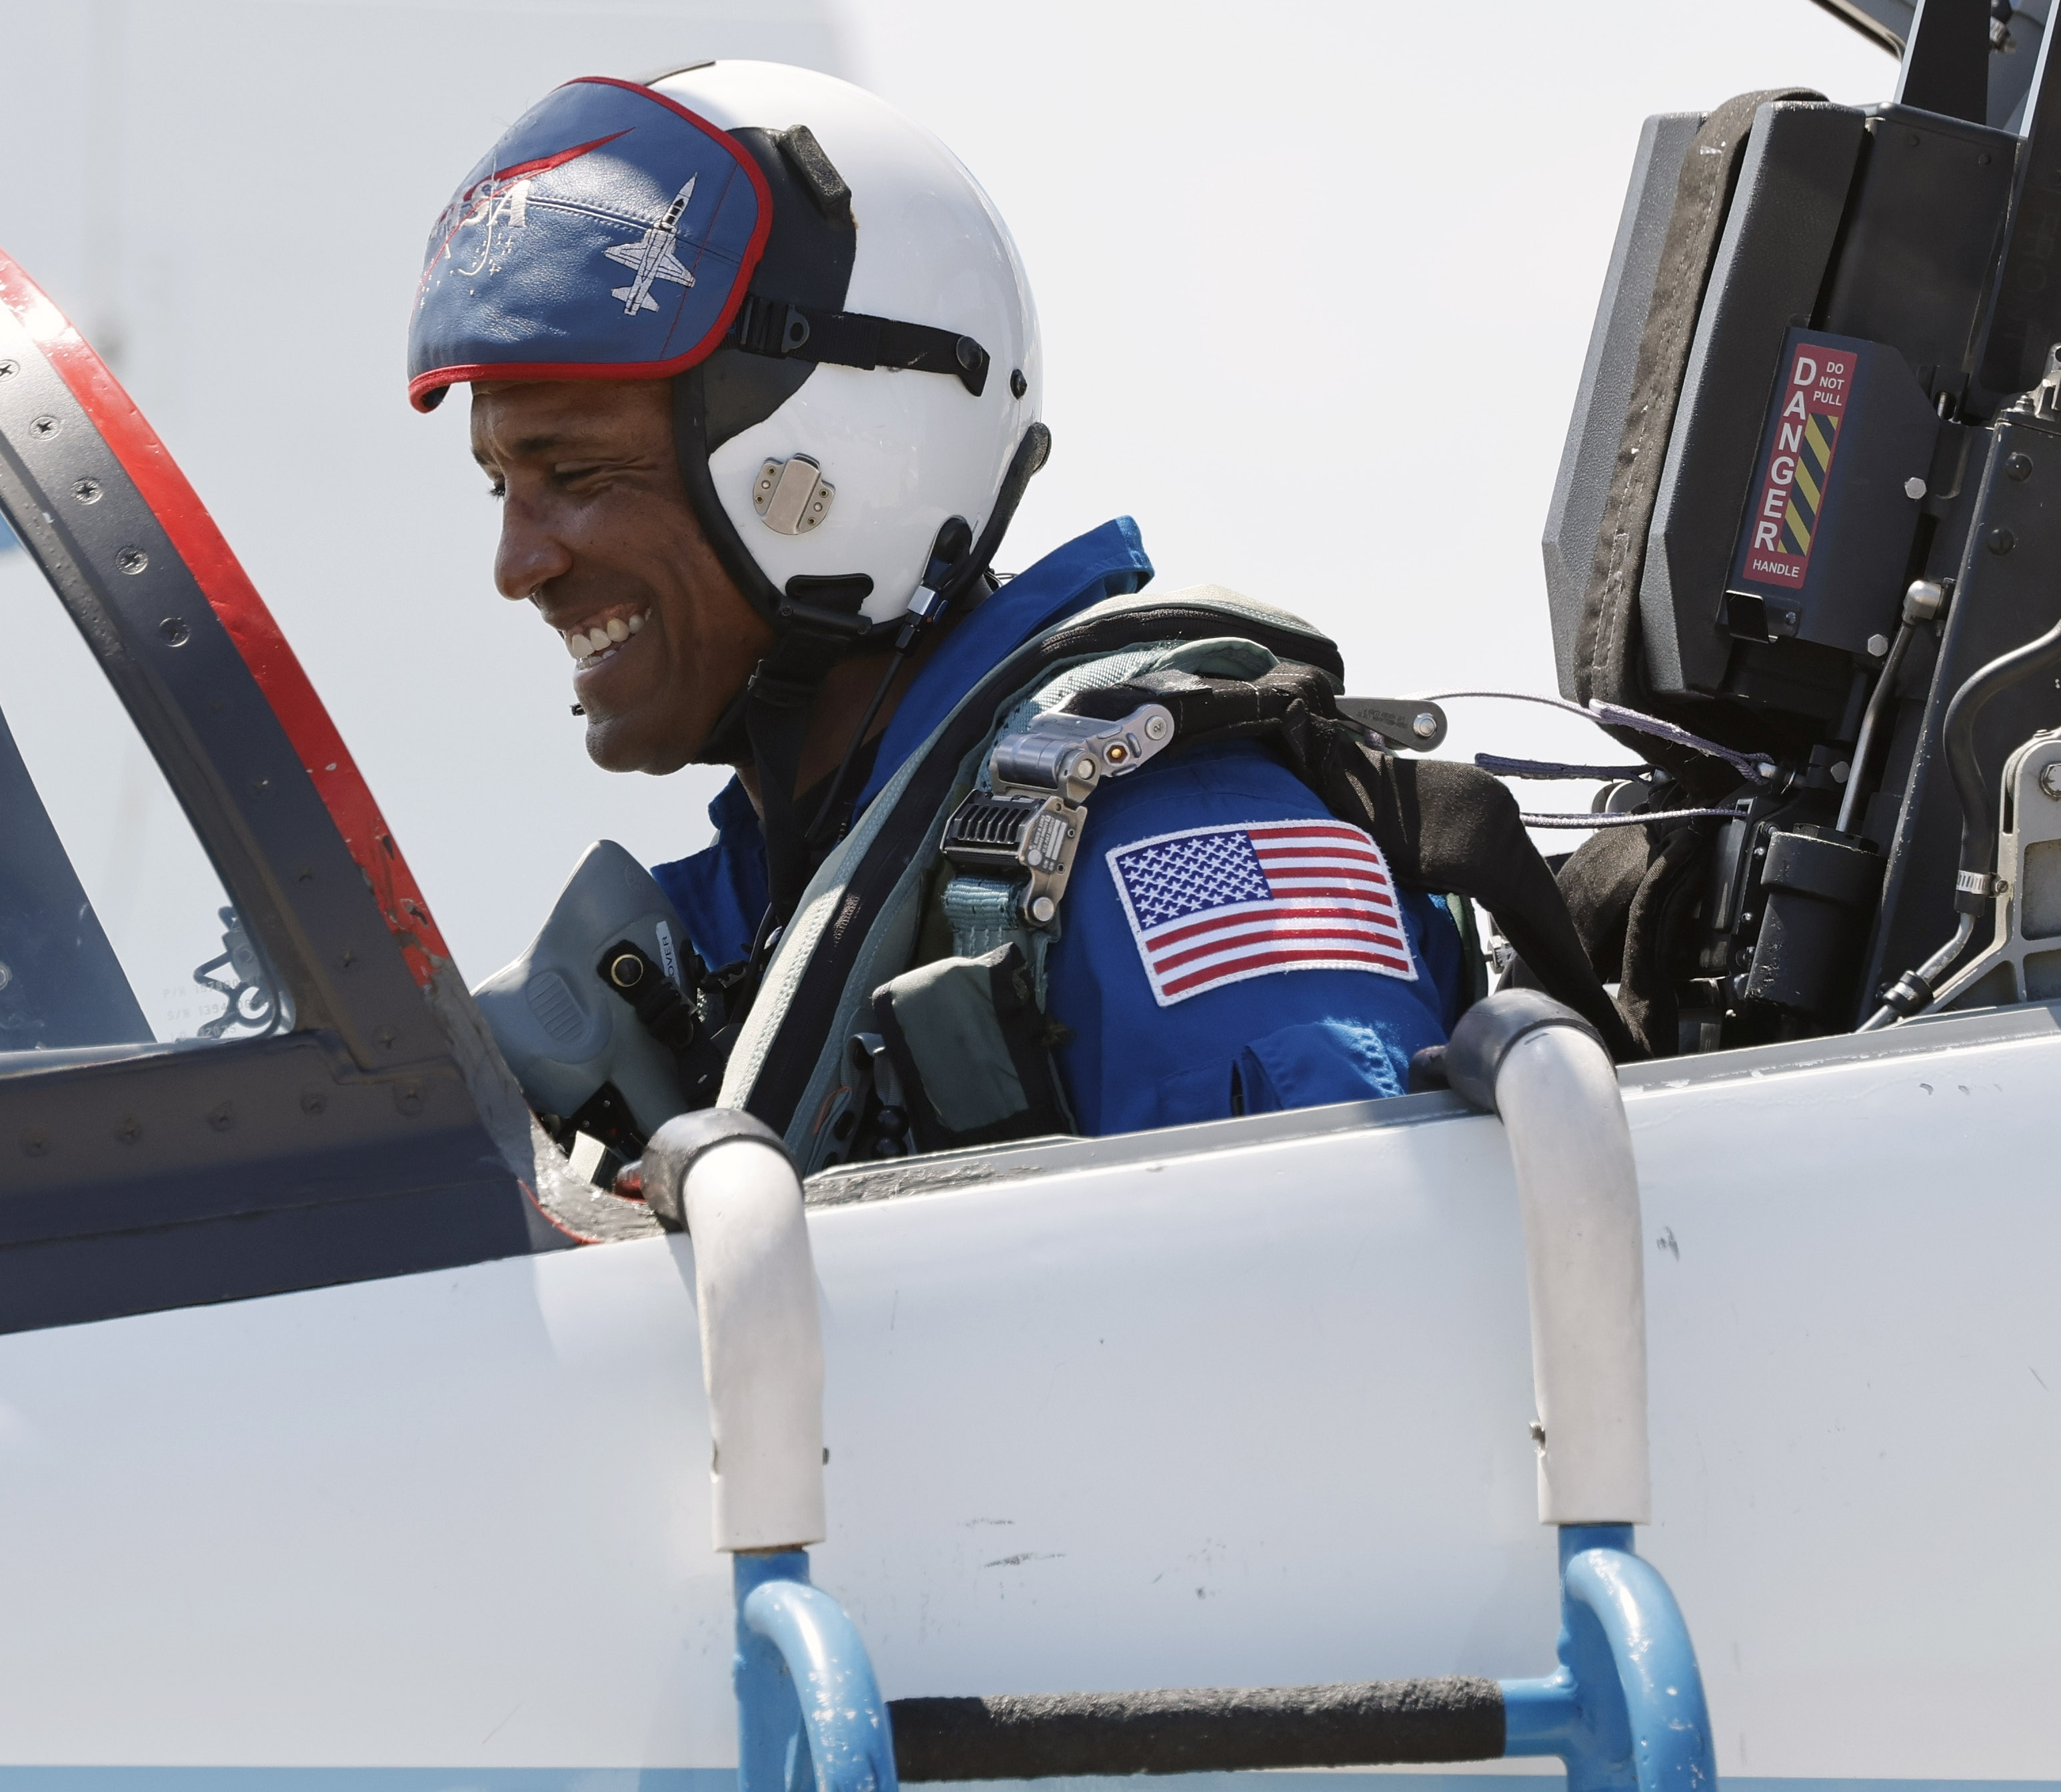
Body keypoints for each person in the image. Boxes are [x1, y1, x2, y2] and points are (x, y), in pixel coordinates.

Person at [409, 61, 1478, 1149]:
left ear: (823, 465)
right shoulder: (766, 920)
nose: (518, 564)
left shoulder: (1176, 854)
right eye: (503, 486)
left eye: (581, 476)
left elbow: (1359, 1290)